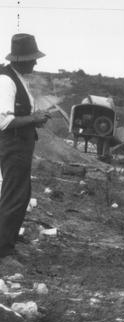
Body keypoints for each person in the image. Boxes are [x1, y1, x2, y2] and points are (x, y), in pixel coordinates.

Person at [0, 34, 50, 268]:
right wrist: (34, 118)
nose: (35, 63)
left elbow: (19, 116)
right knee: (13, 195)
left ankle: (8, 245)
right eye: (32, 58)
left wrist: (35, 119)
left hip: (21, 145)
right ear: (21, 59)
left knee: (20, 194)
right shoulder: (6, 81)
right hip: (13, 145)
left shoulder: (17, 77)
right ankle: (3, 253)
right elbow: (3, 122)